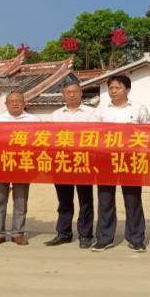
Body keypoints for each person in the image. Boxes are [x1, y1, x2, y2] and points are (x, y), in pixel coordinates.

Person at [91, 75, 150, 253]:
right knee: (105, 200)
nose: (113, 91)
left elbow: (148, 133)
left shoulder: (139, 108)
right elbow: (93, 134)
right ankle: (104, 238)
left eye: (118, 88)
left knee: (133, 200)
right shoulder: (101, 110)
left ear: (127, 90)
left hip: (131, 160)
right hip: (106, 161)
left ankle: (136, 238)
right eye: (111, 88)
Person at [45, 82, 96, 249]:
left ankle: (85, 234)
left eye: (75, 92)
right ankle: (64, 233)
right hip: (62, 162)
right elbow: (50, 138)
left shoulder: (92, 113)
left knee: (85, 200)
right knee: (64, 201)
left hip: (84, 161)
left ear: (81, 93)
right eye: (68, 92)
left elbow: (96, 136)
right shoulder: (56, 114)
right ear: (63, 94)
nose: (72, 95)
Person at [0, 91, 39, 246]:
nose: (15, 104)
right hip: (0, 164)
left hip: (23, 164)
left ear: (24, 103)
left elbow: (39, 143)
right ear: (6, 104)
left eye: (18, 101)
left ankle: (18, 233)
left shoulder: (34, 120)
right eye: (12, 101)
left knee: (20, 200)